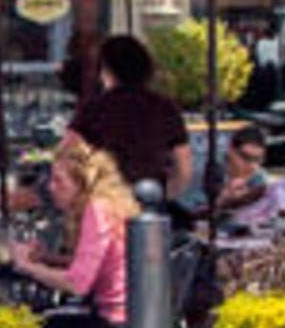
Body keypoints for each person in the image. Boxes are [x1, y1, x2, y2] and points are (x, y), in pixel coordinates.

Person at [3, 140, 135, 328]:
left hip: (115, 325)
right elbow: (90, 264)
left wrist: (28, 266)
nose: (51, 187)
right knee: (34, 321)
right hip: (129, 318)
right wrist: (48, 259)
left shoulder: (96, 211)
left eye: (59, 180)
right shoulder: (110, 206)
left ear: (81, 183)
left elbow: (77, 283)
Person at [68, 33, 192, 203]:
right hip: (152, 201)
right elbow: (183, 167)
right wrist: (166, 196)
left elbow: (69, 158)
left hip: (106, 202)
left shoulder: (93, 109)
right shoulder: (165, 107)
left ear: (107, 69)